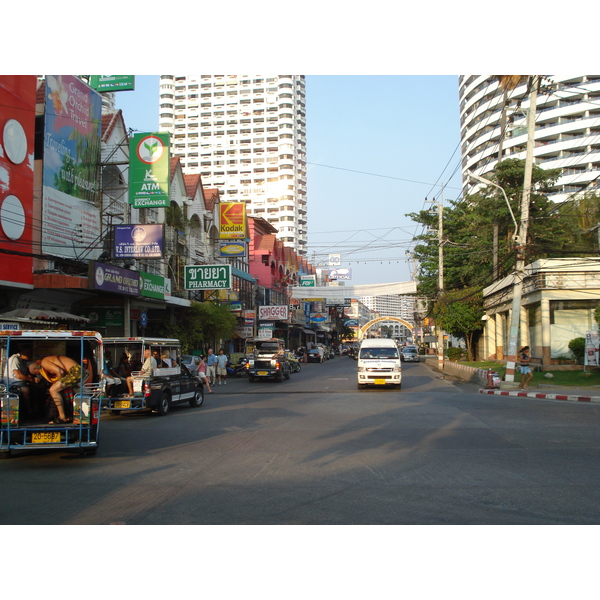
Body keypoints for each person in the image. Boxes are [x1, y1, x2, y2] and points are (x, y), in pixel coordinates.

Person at [29, 355, 83, 424]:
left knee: (53, 390)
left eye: (36, 373)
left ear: (35, 368)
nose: (38, 375)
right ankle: (70, 415)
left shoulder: (44, 362)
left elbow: (60, 372)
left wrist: (59, 385)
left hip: (75, 371)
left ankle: (62, 417)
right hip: (77, 371)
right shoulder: (48, 361)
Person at [6, 346, 46, 418]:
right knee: (26, 390)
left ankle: (38, 409)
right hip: (13, 384)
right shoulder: (15, 359)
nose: (31, 355)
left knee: (39, 387)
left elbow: (27, 372)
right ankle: (29, 411)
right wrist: (30, 379)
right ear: (23, 352)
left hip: (21, 382)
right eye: (29, 353)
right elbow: (18, 375)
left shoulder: (24, 362)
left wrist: (35, 377)